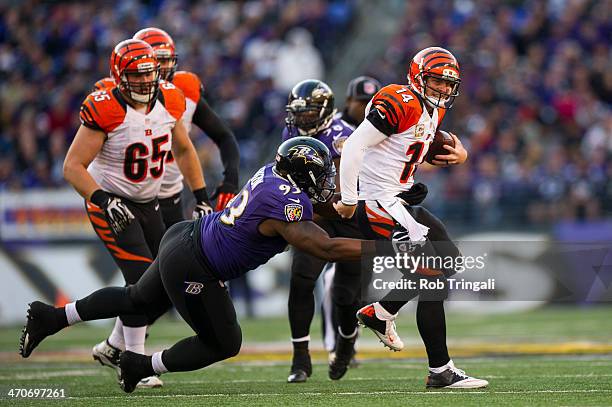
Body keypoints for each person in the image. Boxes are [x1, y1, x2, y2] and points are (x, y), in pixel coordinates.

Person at [20, 137, 384, 394]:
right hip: (197, 266)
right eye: (320, 177)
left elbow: (317, 209)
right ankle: (140, 366)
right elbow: (327, 247)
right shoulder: (285, 204)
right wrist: (384, 249)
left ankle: (52, 317)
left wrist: (360, 203)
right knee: (225, 341)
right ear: (301, 176)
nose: (327, 185)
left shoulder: (274, 177)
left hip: (184, 236)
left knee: (136, 300)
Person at [334, 47, 489, 389]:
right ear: (418, 76)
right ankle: (441, 371)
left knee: (449, 260)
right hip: (378, 203)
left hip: (400, 201)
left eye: (449, 84)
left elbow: (410, 147)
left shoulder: (430, 111)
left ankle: (382, 311)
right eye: (436, 81)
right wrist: (348, 199)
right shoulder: (399, 99)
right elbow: (356, 145)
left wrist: (459, 153)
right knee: (432, 278)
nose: (443, 89)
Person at [65, 39, 210, 388]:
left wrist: (202, 195)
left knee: (164, 280)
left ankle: (113, 345)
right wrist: (102, 199)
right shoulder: (105, 107)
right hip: (112, 203)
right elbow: (73, 166)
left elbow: (185, 149)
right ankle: (133, 361)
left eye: (150, 74)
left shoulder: (171, 99)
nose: (145, 82)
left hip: (149, 202)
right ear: (118, 76)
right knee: (143, 280)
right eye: (136, 75)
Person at [282, 79, 363, 382]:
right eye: (299, 112)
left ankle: (345, 344)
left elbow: (341, 198)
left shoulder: (343, 137)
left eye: (310, 111)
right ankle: (300, 358)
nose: (303, 118)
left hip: (347, 217)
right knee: (301, 279)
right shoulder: (291, 132)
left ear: (327, 111)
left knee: (345, 296)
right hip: (314, 215)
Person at [133, 28, 240, 222]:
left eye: (165, 60)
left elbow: (224, 136)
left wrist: (230, 180)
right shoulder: (118, 101)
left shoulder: (184, 89)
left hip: (170, 193)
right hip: (131, 196)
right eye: (155, 60)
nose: (161, 68)